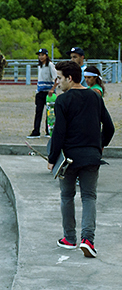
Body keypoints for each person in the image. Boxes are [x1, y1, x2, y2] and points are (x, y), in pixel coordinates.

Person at [48, 61, 115, 258]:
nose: (58, 82)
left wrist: (52, 158)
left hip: (68, 158)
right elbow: (109, 127)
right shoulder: (95, 97)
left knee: (67, 196)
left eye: (59, 78)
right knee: (89, 197)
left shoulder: (62, 100)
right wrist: (99, 146)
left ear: (69, 78)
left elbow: (59, 132)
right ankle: (88, 240)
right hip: (91, 156)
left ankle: (69, 238)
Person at [28, 48, 58, 138]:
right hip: (40, 90)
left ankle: (49, 130)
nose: (41, 57)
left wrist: (52, 89)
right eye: (39, 55)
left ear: (46, 56)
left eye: (42, 55)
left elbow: (56, 78)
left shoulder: (50, 65)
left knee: (49, 113)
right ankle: (36, 130)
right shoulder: (40, 66)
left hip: (48, 92)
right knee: (38, 112)